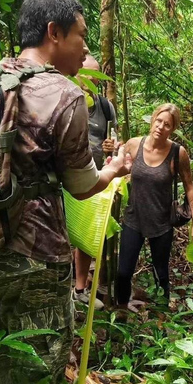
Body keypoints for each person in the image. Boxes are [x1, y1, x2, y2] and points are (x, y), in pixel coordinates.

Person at [0, 0, 131, 384]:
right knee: (41, 367)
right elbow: (80, 186)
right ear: (53, 34)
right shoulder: (64, 93)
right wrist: (112, 170)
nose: (84, 47)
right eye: (80, 36)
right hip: (34, 254)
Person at [115, 103, 193, 308]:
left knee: (161, 273)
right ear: (153, 120)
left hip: (162, 223)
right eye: (159, 121)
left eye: (167, 125)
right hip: (134, 218)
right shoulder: (134, 145)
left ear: (173, 129)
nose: (161, 127)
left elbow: (189, 186)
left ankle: (161, 320)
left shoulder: (177, 153)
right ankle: (120, 313)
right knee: (123, 272)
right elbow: (117, 168)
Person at [74, 54, 118, 309]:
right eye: (86, 74)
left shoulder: (105, 106)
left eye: (95, 76)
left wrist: (112, 146)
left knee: (86, 233)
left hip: (95, 176)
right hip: (67, 175)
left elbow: (114, 138)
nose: (91, 80)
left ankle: (81, 289)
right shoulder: (67, 99)